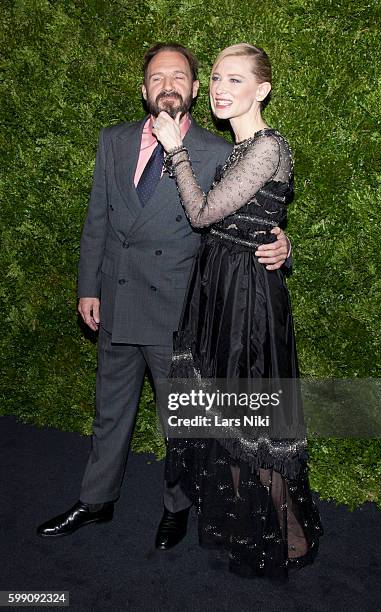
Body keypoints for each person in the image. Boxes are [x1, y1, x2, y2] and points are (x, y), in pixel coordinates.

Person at [36, 43, 291, 543]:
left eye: (179, 76)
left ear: (194, 89)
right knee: (109, 410)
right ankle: (95, 500)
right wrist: (89, 286)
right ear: (144, 89)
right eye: (156, 77)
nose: (167, 85)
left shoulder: (219, 152)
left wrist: (279, 241)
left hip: (179, 309)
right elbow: (98, 221)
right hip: (115, 298)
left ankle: (177, 508)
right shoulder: (113, 140)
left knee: (180, 419)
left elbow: (244, 216)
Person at [152, 43, 324, 580]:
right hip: (221, 291)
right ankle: (249, 529)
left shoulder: (267, 146)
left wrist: (174, 149)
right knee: (225, 419)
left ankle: (288, 537)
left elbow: (203, 213)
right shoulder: (243, 148)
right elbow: (248, 222)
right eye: (218, 79)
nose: (222, 89)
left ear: (262, 90)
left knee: (253, 422)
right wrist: (281, 241)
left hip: (246, 302)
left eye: (235, 80)